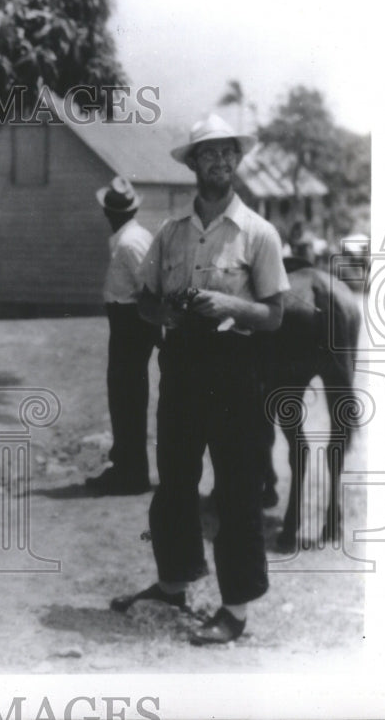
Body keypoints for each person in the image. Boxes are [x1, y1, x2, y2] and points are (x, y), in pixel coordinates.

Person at [110, 114, 289, 645]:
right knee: (175, 481)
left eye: (227, 153)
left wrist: (229, 302)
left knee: (235, 489)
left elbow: (274, 314)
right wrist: (161, 313)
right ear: (193, 164)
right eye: (207, 153)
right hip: (182, 367)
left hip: (235, 372)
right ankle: (173, 584)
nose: (219, 161)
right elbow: (141, 300)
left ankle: (234, 611)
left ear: (238, 161)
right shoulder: (169, 232)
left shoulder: (259, 232)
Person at [85, 176, 160, 495]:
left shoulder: (131, 243)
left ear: (112, 214)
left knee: (127, 395)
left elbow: (152, 286)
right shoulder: (125, 238)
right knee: (122, 394)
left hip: (132, 323)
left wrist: (151, 329)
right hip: (123, 321)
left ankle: (132, 473)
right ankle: (126, 465)